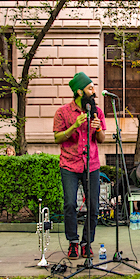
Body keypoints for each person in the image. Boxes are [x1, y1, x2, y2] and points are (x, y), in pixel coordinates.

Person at [53, 72, 107, 260]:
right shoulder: (63, 112)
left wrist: (98, 127)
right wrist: (74, 126)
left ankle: (86, 243)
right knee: (70, 204)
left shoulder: (97, 111)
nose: (94, 92)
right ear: (79, 91)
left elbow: (101, 139)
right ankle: (73, 243)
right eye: (90, 88)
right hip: (69, 164)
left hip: (91, 164)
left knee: (93, 206)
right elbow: (57, 138)